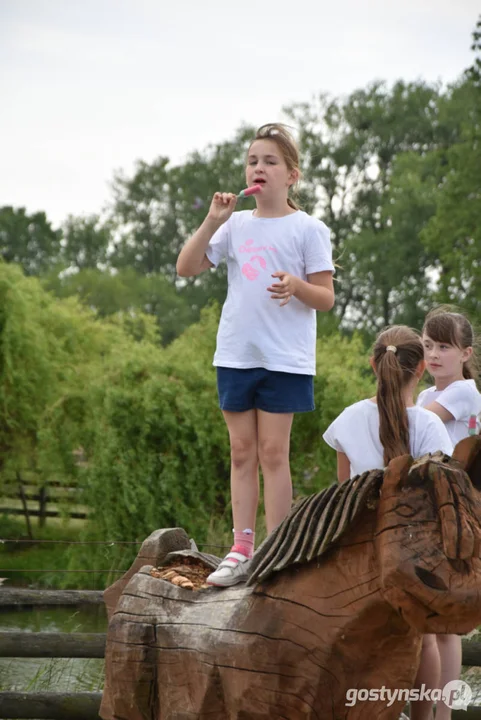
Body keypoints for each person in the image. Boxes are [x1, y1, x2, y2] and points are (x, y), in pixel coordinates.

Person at [176, 123, 335, 587]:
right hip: (235, 355)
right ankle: (240, 548)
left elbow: (324, 297)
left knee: (272, 452)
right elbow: (186, 268)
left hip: (286, 359)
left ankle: (276, 549)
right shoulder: (235, 226)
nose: (258, 167)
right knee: (241, 451)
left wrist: (296, 285)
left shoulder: (309, 228)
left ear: (292, 175)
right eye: (252, 160)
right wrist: (212, 221)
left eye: (269, 161)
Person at [414, 308, 481, 720]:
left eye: (444, 347)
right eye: (426, 346)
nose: (434, 355)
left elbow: (414, 424)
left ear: (466, 353)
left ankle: (441, 713)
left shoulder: (463, 392)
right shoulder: (425, 396)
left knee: (445, 623)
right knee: (432, 621)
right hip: (435, 510)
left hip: (457, 513)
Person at [322, 325, 453, 483]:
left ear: (374, 365)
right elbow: (442, 490)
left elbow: (344, 493)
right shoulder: (430, 425)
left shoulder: (347, 419)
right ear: (421, 368)